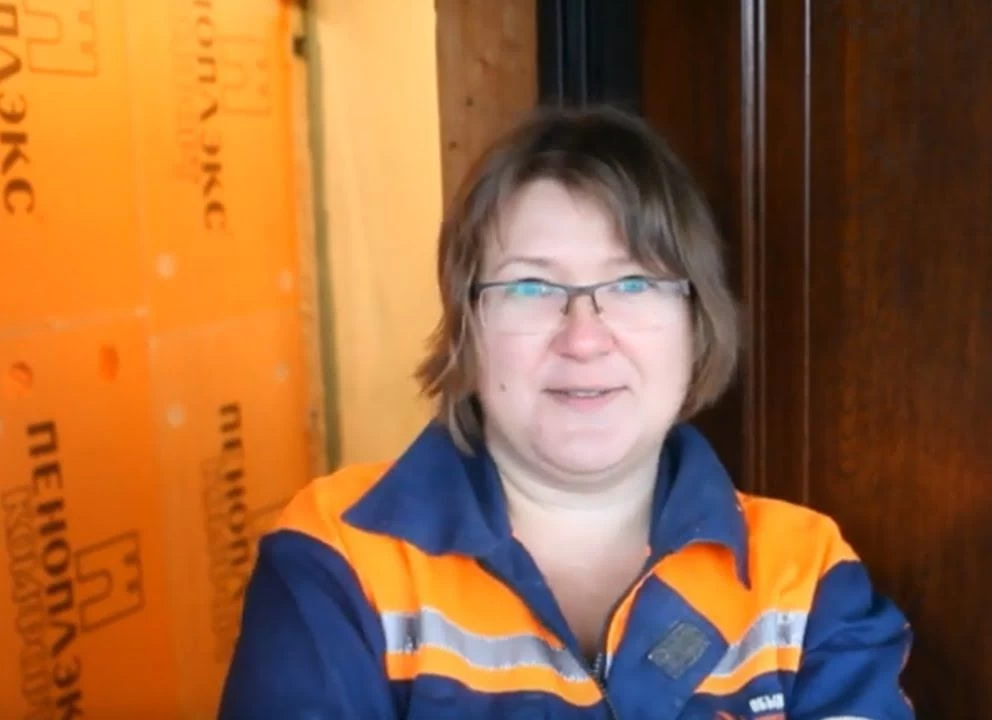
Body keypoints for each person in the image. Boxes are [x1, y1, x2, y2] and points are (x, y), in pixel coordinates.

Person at [218, 105, 913, 719]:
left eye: (633, 282)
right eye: (531, 287)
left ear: (696, 323)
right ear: (467, 328)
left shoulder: (806, 576)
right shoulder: (340, 559)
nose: (584, 337)